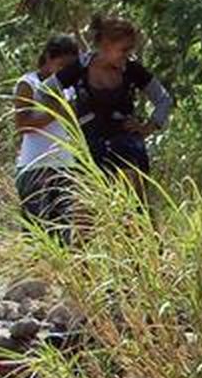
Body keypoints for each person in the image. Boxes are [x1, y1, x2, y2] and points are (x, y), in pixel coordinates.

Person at [46, 14, 172, 190]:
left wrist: (148, 127)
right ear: (106, 45)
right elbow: (44, 92)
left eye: (131, 49)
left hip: (127, 151)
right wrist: (67, 119)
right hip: (89, 151)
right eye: (124, 49)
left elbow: (163, 99)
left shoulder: (133, 70)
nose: (128, 54)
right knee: (86, 210)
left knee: (131, 209)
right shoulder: (79, 69)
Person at [13, 34, 80, 238]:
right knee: (37, 233)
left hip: (63, 166)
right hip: (36, 166)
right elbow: (22, 123)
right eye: (61, 65)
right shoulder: (29, 83)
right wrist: (55, 111)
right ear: (49, 58)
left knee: (63, 233)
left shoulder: (69, 87)